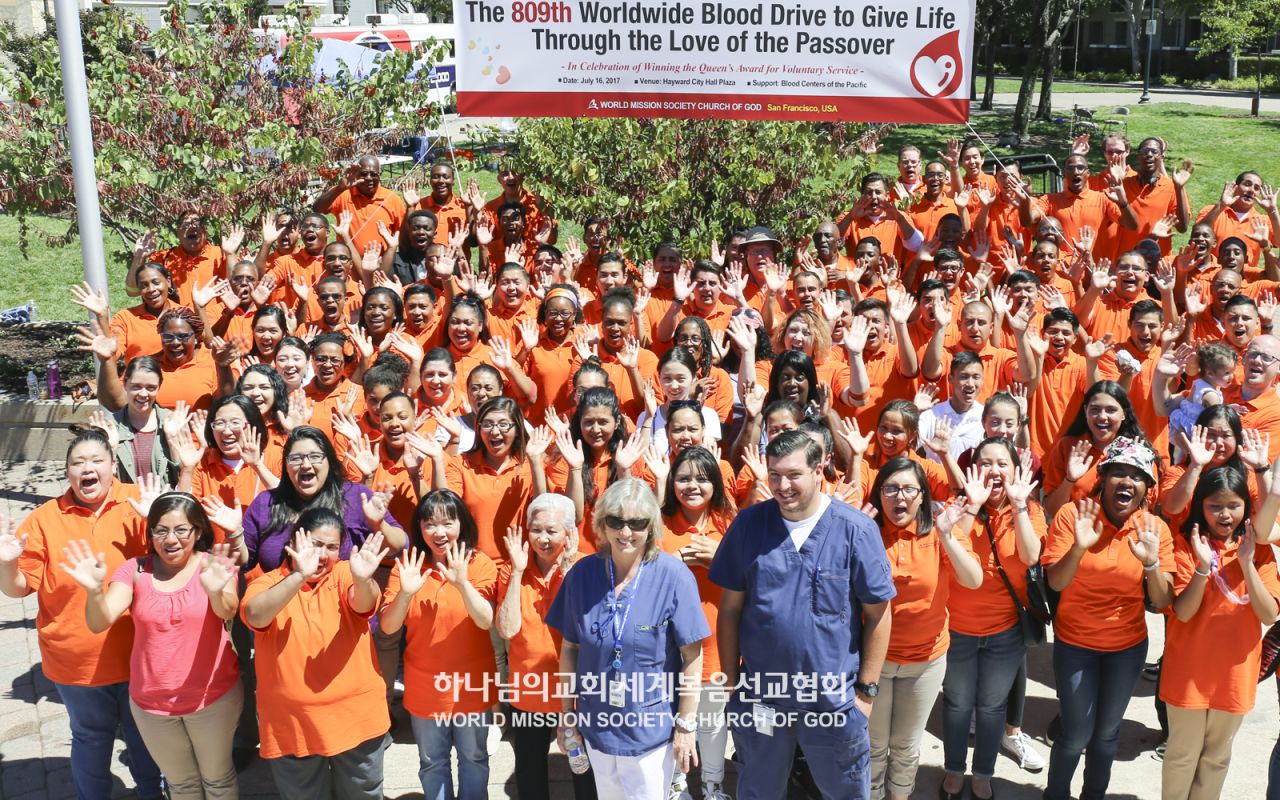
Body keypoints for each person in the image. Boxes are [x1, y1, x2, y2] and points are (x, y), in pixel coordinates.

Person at [711, 430, 896, 800]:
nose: (783, 485)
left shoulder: (855, 530)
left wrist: (866, 693)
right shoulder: (749, 526)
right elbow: (729, 610)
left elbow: (879, 614)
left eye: (793, 474)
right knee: (758, 790)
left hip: (833, 702)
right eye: (775, 474)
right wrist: (731, 683)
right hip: (762, 697)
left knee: (845, 792)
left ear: (819, 468)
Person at [0, 429, 164, 800]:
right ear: (67, 472)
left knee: (145, 737)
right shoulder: (45, 519)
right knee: (91, 737)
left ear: (112, 467)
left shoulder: (139, 503)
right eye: (77, 463)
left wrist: (156, 516)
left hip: (140, 654)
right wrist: (6, 563)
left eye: (96, 461)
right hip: (77, 661)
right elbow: (18, 588)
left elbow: (175, 558)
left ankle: (153, 793)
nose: (87, 469)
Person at [61, 492, 242, 800]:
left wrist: (214, 591)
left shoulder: (216, 565)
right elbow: (99, 621)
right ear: (151, 533)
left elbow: (228, 610)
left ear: (198, 531)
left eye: (181, 529)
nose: (170, 539)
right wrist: (93, 591)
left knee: (217, 781)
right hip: (152, 705)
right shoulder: (134, 570)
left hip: (212, 699)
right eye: (161, 530)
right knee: (181, 784)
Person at [547, 479, 709, 799]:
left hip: (650, 732)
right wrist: (567, 714)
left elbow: (692, 657)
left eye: (636, 523)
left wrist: (686, 727)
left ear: (651, 527)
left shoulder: (674, 576)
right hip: (596, 726)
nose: (625, 532)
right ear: (602, 525)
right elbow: (569, 648)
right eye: (616, 521)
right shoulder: (581, 574)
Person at [1043, 437, 1174, 800]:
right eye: (1118, 472)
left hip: (1127, 648)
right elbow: (1056, 581)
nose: (1127, 481)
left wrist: (1151, 564)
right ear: (1103, 478)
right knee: (1076, 734)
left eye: (1137, 475)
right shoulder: (1074, 515)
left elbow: (1163, 600)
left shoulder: (1154, 529)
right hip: (1075, 644)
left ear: (1147, 487)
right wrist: (1079, 546)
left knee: (1107, 734)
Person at [242, 511, 391, 799]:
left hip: (356, 719)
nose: (323, 554)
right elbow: (256, 615)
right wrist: (299, 576)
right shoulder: (268, 582)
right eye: (315, 544)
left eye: (332, 547)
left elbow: (364, 604)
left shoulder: (347, 572)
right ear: (295, 541)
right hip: (293, 724)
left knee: (363, 793)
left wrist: (362, 580)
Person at [1162, 467, 1280, 800]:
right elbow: (1183, 612)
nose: (1224, 514)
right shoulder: (1186, 545)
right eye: (1214, 505)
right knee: (1182, 757)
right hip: (1188, 672)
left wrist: (1246, 564)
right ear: (1201, 506)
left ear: (1247, 506)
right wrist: (1202, 567)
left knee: (1216, 759)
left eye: (1233, 505)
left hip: (1234, 676)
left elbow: (1269, 613)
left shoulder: (1259, 551)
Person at [868, 458, 982, 800]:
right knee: (872, 745)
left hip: (925, 661)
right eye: (890, 488)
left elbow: (973, 579)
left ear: (922, 496)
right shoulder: (867, 530)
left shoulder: (940, 530)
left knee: (905, 745)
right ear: (879, 493)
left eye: (908, 489)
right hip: (875, 661)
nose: (898, 497)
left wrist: (947, 534)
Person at [939, 437, 1044, 800]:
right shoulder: (958, 508)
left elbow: (1031, 557)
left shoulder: (1028, 510)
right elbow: (949, 555)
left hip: (1005, 633)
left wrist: (1019, 508)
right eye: (986, 462)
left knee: (991, 706)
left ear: (1016, 471)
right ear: (972, 470)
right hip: (957, 630)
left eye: (1003, 463)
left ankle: (983, 773)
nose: (994, 470)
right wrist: (972, 507)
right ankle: (954, 770)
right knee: (955, 704)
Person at [381, 490, 499, 800]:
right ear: (419, 528)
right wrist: (406, 593)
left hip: (471, 687)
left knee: (474, 758)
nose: (439, 532)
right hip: (425, 688)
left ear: (462, 524)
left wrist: (462, 584)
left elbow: (486, 619)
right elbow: (389, 627)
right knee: (432, 762)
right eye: (430, 524)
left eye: (448, 523)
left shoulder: (479, 563)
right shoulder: (409, 566)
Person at [495, 494, 597, 800]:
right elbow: (507, 629)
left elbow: (587, 630)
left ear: (570, 533)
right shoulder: (511, 568)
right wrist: (515, 571)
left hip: (576, 692)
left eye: (552, 531)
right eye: (536, 530)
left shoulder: (586, 567)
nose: (543, 538)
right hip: (529, 690)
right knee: (529, 773)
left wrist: (567, 574)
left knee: (584, 772)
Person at [659, 446, 736, 800]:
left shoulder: (729, 524)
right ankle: (676, 784)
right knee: (675, 719)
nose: (692, 485)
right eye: (684, 477)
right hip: (669, 646)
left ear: (716, 484)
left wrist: (718, 559)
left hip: (718, 641)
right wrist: (673, 561)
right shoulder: (658, 524)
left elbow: (753, 579)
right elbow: (643, 580)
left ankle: (713, 785)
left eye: (702, 479)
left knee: (712, 722)